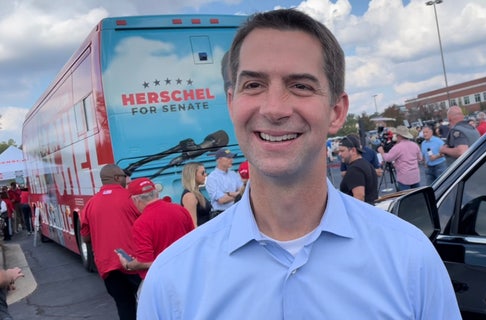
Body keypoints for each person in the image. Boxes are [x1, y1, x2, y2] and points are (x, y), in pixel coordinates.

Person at [138, 9, 461, 319]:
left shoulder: (409, 256)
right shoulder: (172, 280)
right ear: (231, 102)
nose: (275, 108)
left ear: (336, 111)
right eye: (253, 85)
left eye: (301, 86)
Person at [80, 164, 141, 320]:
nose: (126, 180)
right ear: (116, 178)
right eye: (123, 176)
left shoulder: (90, 204)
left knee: (124, 305)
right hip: (134, 261)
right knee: (146, 302)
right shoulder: (131, 198)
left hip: (107, 265)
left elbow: (86, 237)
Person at [116, 178, 194, 280]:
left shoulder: (141, 223)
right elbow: (192, 240)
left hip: (163, 279)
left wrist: (128, 265)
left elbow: (146, 261)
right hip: (186, 271)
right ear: (156, 193)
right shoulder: (180, 209)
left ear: (136, 200)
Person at [377, 125, 423, 191]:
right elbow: (420, 158)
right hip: (415, 176)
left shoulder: (397, 147)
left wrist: (382, 152)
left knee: (406, 198)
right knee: (416, 197)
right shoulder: (414, 145)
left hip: (404, 178)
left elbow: (388, 158)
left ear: (399, 136)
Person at [338, 135, 378, 204]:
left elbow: (359, 197)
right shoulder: (365, 164)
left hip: (363, 211)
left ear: (353, 150)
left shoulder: (355, 169)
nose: (339, 154)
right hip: (370, 208)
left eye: (342, 151)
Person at [204, 148, 244, 217]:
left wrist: (229, 194)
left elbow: (243, 191)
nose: (232, 160)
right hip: (220, 214)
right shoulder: (212, 178)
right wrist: (238, 196)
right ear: (219, 160)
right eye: (228, 158)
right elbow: (222, 200)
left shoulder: (233, 174)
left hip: (236, 211)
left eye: (232, 158)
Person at [179, 162, 212, 226]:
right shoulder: (189, 196)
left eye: (205, 172)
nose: (205, 175)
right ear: (193, 175)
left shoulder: (196, 192)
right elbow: (193, 224)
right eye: (202, 173)